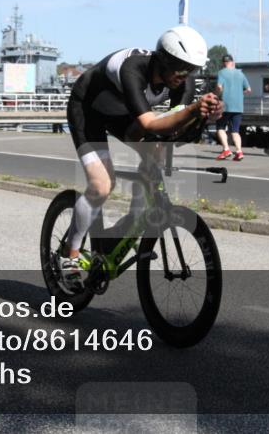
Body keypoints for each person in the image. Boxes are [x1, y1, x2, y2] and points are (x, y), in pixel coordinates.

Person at [61, 26, 224, 291]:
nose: (184, 76)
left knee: (155, 157)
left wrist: (206, 115)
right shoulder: (132, 69)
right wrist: (194, 108)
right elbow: (149, 123)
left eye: (190, 70)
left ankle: (125, 228)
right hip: (88, 110)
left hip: (122, 114)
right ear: (163, 59)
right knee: (102, 185)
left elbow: (175, 129)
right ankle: (71, 254)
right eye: (180, 68)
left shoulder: (182, 82)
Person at [214, 53, 251, 161]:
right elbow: (249, 90)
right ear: (232, 62)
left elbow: (219, 87)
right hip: (238, 106)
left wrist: (215, 94)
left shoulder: (221, 72)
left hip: (225, 106)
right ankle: (239, 152)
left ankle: (226, 149)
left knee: (220, 128)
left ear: (223, 63)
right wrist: (239, 92)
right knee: (235, 131)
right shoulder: (241, 74)